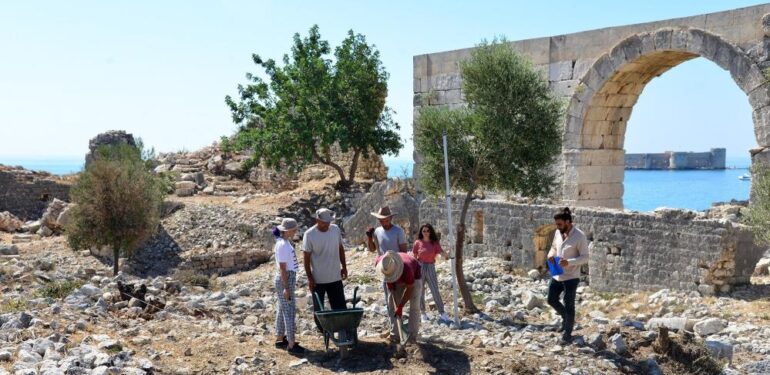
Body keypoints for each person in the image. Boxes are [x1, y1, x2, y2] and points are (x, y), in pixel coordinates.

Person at [546, 207, 589, 344]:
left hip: (571, 276)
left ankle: (568, 332)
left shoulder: (579, 236)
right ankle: (566, 318)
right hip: (557, 273)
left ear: (568, 222)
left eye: (559, 224)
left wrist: (569, 262)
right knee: (551, 299)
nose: (557, 227)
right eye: (556, 224)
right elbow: (553, 247)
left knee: (569, 304)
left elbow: (585, 257)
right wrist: (551, 255)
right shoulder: (558, 233)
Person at [303, 208, 348, 333]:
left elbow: (340, 248)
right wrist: (310, 277)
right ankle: (323, 333)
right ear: (317, 220)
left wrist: (344, 266)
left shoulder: (335, 229)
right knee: (319, 310)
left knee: (339, 307)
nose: (326, 225)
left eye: (328, 222)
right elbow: (306, 257)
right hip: (318, 279)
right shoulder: (309, 234)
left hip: (335, 276)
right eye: (323, 222)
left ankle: (343, 331)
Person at [272, 218, 305, 355]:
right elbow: (283, 268)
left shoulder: (283, 242)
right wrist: (286, 287)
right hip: (286, 278)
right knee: (289, 309)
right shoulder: (283, 245)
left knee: (282, 307)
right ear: (289, 230)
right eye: (294, 229)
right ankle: (291, 343)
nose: (296, 231)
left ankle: (280, 337)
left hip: (286, 277)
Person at [375, 251, 422, 345]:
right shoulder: (381, 262)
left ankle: (412, 338)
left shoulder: (407, 268)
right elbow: (387, 279)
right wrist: (391, 289)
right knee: (391, 305)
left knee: (414, 306)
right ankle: (395, 335)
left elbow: (410, 289)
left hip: (414, 278)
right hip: (395, 281)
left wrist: (400, 306)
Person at [412, 223, 450, 323]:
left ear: (430, 231)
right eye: (424, 231)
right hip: (420, 266)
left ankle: (442, 312)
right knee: (420, 290)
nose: (426, 233)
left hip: (431, 266)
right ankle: (423, 313)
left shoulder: (434, 243)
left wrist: (446, 255)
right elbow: (414, 256)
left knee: (435, 289)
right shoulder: (417, 243)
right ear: (421, 232)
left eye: (427, 231)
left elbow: (440, 252)